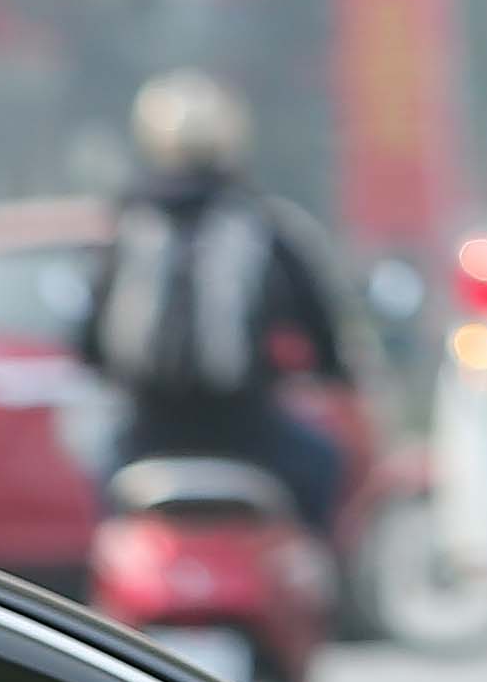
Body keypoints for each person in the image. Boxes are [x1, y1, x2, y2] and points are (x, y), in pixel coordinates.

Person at [79, 72, 354, 542]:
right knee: (327, 464)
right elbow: (322, 332)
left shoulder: (127, 225)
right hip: (247, 430)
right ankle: (315, 585)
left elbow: (88, 346)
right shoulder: (263, 225)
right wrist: (333, 373)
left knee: (105, 504)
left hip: (148, 429)